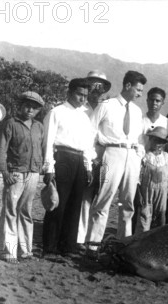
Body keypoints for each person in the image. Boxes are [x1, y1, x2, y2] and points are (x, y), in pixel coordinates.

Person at [86, 70, 147, 258]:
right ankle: (93, 246)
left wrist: (139, 155)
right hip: (112, 153)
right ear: (127, 85)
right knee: (104, 200)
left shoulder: (137, 112)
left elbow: (140, 139)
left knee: (128, 203)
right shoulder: (107, 105)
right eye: (138, 89)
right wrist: (91, 158)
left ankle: (123, 245)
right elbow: (91, 132)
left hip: (132, 157)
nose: (140, 94)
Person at [42, 78, 96, 257]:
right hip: (62, 158)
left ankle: (68, 246)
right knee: (58, 203)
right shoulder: (56, 112)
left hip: (80, 159)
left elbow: (88, 144)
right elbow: (48, 141)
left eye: (85, 96)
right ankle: (50, 246)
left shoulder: (84, 117)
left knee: (75, 205)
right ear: (69, 93)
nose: (83, 99)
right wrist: (49, 167)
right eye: (79, 94)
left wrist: (88, 166)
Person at [0, 91, 45, 263]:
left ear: (38, 111)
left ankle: (25, 250)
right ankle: (8, 250)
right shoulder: (11, 123)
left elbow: (43, 149)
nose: (30, 109)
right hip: (15, 174)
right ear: (20, 105)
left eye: (34, 107)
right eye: (27, 105)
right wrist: (4, 172)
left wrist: (41, 169)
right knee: (10, 211)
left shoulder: (39, 127)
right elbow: (1, 149)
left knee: (26, 211)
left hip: (33, 173)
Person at [77, 70, 112, 249]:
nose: (96, 88)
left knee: (97, 199)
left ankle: (91, 236)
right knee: (83, 198)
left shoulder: (106, 107)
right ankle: (80, 237)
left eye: (100, 85)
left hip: (102, 158)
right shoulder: (80, 108)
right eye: (93, 83)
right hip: (81, 156)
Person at [135, 127, 168, 233]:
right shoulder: (145, 156)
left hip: (162, 191)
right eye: (156, 140)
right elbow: (138, 177)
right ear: (150, 139)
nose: (158, 144)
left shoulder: (166, 156)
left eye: (161, 141)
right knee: (145, 216)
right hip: (147, 191)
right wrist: (139, 193)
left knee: (160, 215)